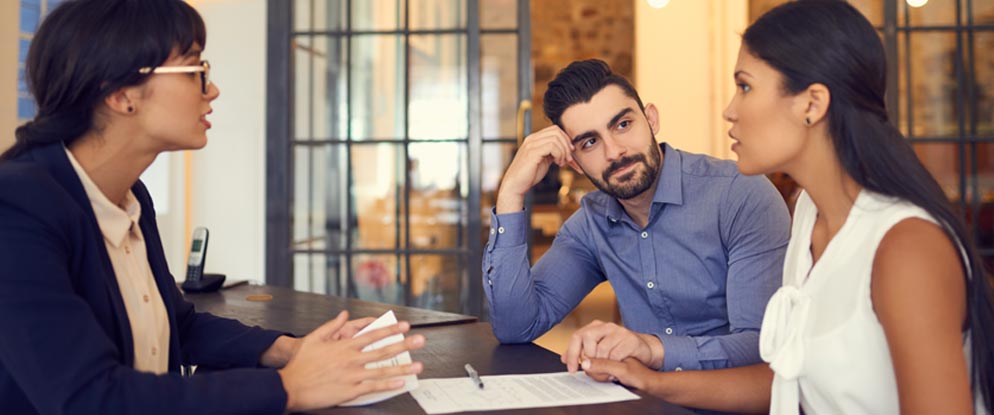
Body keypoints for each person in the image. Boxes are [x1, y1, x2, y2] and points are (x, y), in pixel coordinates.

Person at [580, 1, 994, 414]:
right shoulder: (809, 212)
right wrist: (649, 381)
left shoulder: (906, 248)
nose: (730, 110)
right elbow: (790, 383)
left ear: (812, 104)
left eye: (745, 86)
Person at [0, 1, 424, 413]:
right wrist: (288, 387)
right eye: (196, 70)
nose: (212, 88)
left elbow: (177, 325)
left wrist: (291, 351)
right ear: (121, 94)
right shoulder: (16, 208)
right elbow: (89, 398)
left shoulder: (129, 195)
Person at [483, 59, 790, 374]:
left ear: (651, 119)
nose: (614, 151)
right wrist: (510, 194)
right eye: (590, 142)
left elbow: (761, 344)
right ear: (574, 162)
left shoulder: (739, 196)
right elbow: (516, 327)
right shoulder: (590, 226)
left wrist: (651, 350)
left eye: (623, 125)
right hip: (644, 404)